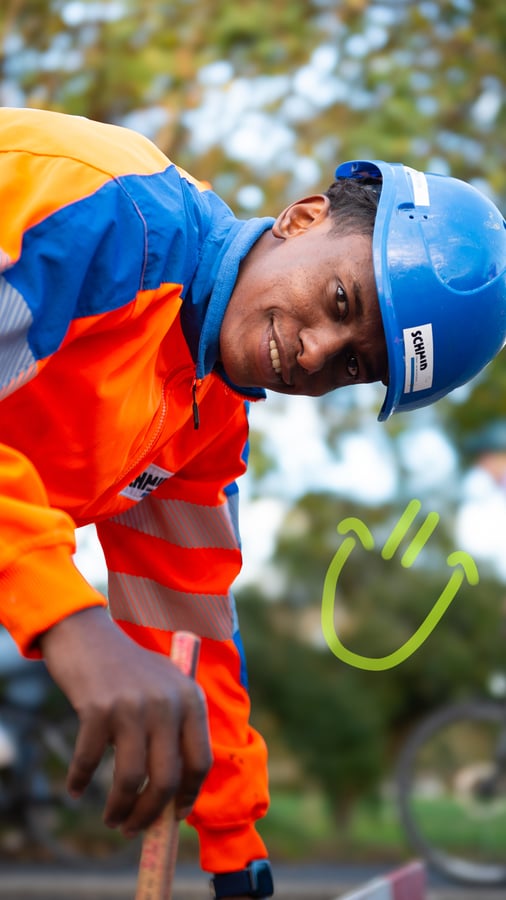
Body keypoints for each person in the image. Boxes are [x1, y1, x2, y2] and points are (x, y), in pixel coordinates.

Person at [0, 106, 505, 899]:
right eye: (341, 301)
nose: (312, 355)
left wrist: (235, 846)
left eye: (354, 367)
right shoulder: (101, 207)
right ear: (304, 216)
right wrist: (73, 626)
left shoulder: (205, 421)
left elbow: (184, 626)